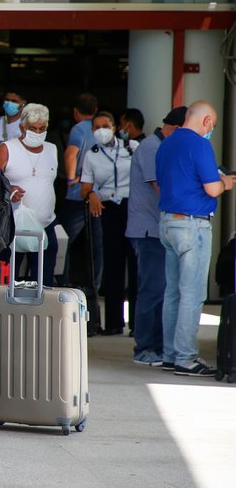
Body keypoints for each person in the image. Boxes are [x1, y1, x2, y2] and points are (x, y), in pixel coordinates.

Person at [156, 101, 235, 377]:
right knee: (192, 294)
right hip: (192, 226)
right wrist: (225, 182)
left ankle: (169, 354)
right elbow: (212, 189)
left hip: (167, 222)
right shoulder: (200, 145)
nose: (210, 129)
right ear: (206, 122)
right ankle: (186, 358)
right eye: (211, 125)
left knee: (173, 293)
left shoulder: (166, 143)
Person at [126, 106, 186, 366]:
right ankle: (145, 348)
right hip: (149, 230)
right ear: (174, 129)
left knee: (164, 291)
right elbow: (160, 187)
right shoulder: (152, 147)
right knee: (152, 290)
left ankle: (160, 347)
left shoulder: (163, 145)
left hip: (160, 230)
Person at [81, 111, 139, 336]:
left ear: (115, 127)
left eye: (105, 125)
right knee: (113, 265)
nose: (101, 130)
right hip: (108, 208)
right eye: (96, 126)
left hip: (132, 207)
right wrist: (92, 194)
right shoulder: (91, 155)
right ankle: (114, 323)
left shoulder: (132, 147)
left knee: (135, 263)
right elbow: (85, 187)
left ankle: (137, 323)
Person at [0, 103, 59, 285]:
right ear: (22, 127)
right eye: (33, 128)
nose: (38, 132)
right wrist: (9, 190)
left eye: (42, 128)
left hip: (45, 225)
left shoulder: (52, 149)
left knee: (43, 283)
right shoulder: (7, 149)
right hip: (12, 226)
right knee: (8, 282)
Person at [58, 92, 102, 291]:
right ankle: (95, 286)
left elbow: (70, 153)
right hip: (100, 195)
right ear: (95, 111)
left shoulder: (79, 129)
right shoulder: (104, 129)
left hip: (78, 195)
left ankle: (63, 282)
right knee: (97, 244)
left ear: (75, 112)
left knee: (62, 239)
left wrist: (70, 178)